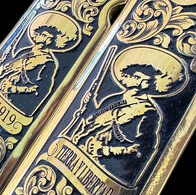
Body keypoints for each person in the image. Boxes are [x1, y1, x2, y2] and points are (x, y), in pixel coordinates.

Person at [70, 47, 188, 187]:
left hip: (102, 175)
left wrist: (104, 150)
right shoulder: (112, 99)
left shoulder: (149, 112)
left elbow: (142, 152)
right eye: (134, 75)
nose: (130, 78)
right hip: (74, 156)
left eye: (143, 77)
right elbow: (92, 122)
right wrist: (85, 111)